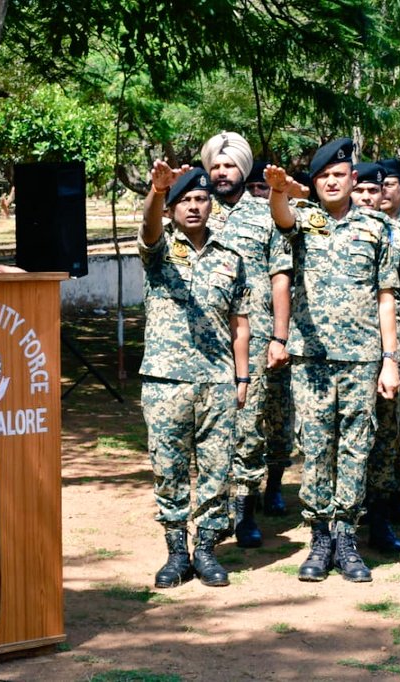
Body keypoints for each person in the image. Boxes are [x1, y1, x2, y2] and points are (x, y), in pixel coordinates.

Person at [265, 138, 400, 582]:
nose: (330, 181)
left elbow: (386, 298)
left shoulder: (377, 229)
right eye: (322, 176)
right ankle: (320, 538)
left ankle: (347, 536)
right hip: (313, 358)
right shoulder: (303, 222)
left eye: (338, 175)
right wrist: (278, 190)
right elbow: (282, 216)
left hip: (362, 358)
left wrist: (389, 358)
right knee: (318, 446)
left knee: (356, 447)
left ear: (353, 179)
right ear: (315, 182)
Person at [139, 162, 251, 588]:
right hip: (166, 382)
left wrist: (241, 379)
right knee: (168, 469)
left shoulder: (230, 259)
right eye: (183, 200)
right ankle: (175, 554)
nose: (193, 206)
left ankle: (205, 551)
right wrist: (156, 190)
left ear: (211, 205)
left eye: (201, 199)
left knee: (216, 471)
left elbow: (240, 324)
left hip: (218, 381)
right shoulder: (159, 249)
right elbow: (149, 229)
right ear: (171, 208)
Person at [200, 132, 290, 547]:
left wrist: (278, 336)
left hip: (253, 334)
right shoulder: (195, 210)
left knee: (250, 425)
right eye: (216, 167)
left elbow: (280, 278)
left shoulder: (266, 215)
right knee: (207, 427)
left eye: (229, 166)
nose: (222, 173)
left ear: (244, 170)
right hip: (204, 338)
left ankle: (245, 510)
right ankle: (212, 511)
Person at [352, 161, 400, 553]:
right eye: (358, 191)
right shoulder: (328, 230)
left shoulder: (398, 235)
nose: (365, 198)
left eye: (372, 192)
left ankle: (379, 518)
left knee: (386, 435)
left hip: (386, 350)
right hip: (346, 350)